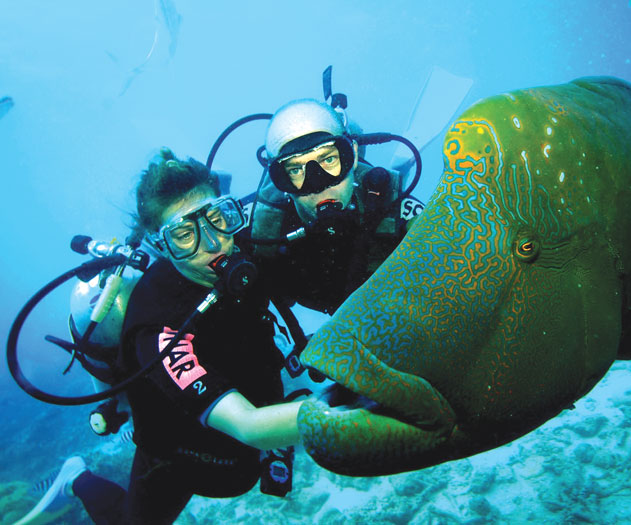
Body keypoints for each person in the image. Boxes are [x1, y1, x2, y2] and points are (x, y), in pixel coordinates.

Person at [20, 149, 304, 525]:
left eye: (217, 217)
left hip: (248, 429)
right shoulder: (156, 324)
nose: (213, 243)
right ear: (162, 245)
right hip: (174, 451)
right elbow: (248, 424)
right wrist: (345, 416)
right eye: (184, 235)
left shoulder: (247, 251)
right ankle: (77, 479)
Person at [249, 98, 423, 316]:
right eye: (295, 170)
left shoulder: (394, 209)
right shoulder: (264, 227)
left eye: (329, 159)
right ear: (281, 180)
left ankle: (399, 166)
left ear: (353, 155)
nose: (318, 184)